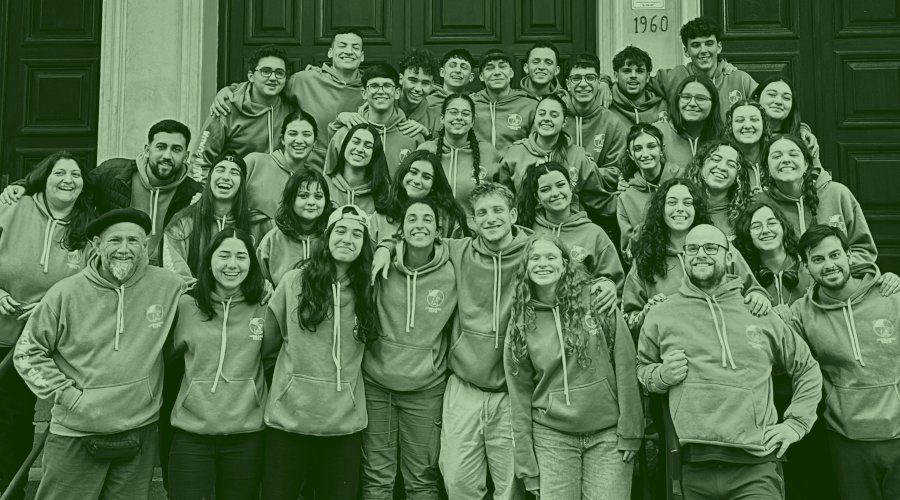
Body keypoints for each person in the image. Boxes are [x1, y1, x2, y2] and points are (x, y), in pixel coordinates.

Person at [636, 223, 822, 500]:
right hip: (691, 468)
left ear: (729, 256)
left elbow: (806, 367)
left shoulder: (758, 312)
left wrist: (795, 424)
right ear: (684, 257)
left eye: (711, 247)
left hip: (756, 466)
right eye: (693, 249)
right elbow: (641, 369)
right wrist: (661, 375)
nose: (701, 254)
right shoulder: (661, 314)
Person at [14, 208, 186, 500]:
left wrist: (259, 293)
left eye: (133, 241)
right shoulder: (65, 293)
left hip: (139, 430)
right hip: (76, 432)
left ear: (145, 246)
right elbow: (27, 352)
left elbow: (214, 297)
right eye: (114, 240)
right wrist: (70, 397)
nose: (124, 249)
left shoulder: (169, 285)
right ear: (96, 244)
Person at [504, 234, 642, 498]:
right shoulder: (521, 319)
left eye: (551, 257)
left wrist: (631, 431)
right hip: (552, 436)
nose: (543, 263)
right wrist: (526, 463)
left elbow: (625, 365)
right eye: (535, 258)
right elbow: (518, 394)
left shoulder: (597, 300)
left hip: (607, 435)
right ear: (526, 268)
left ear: (566, 264)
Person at [261, 205, 379, 499]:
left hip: (343, 425)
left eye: (357, 234)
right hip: (289, 421)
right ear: (326, 237)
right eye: (340, 231)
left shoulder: (370, 290)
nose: (347, 239)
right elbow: (267, 344)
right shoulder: (293, 283)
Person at [0, 152, 94, 500]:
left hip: (43, 342)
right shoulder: (13, 206)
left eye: (76, 174)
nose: (68, 179)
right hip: (1, 333)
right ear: (45, 176)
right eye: (60, 172)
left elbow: (88, 284)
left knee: (15, 419)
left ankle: (12, 490)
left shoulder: (87, 226)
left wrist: (50, 306)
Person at [787, 225, 900, 500]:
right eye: (818, 259)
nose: (829, 265)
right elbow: (762, 332)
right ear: (805, 267)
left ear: (849, 255)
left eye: (835, 255)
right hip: (847, 439)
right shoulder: (801, 314)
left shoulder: (891, 295)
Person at [0, 120, 203, 266]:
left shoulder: (193, 193)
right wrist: (24, 185)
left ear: (186, 155)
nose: (167, 155)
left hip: (162, 274)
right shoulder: (112, 172)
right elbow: (73, 185)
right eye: (161, 147)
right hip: (110, 266)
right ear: (147, 149)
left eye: (176, 149)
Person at [362, 198, 458, 499]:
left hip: (425, 389)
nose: (420, 224)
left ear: (438, 230)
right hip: (377, 386)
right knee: (377, 477)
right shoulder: (379, 264)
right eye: (412, 219)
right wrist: (383, 248)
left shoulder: (453, 269)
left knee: (421, 479)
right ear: (400, 230)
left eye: (427, 219)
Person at [165, 229, 270, 500]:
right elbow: (165, 355)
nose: (232, 265)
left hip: (246, 435)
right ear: (210, 260)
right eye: (224, 255)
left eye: (241, 257)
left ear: (252, 263)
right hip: (191, 433)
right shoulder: (186, 305)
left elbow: (270, 353)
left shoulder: (264, 305)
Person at [623, 178, 770, 338]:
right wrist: (646, 313)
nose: (680, 209)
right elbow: (629, 322)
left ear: (696, 209)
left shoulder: (719, 245)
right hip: (677, 351)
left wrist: (758, 296)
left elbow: (754, 288)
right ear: (660, 209)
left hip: (730, 338)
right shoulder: (646, 259)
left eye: (687, 203)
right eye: (672, 203)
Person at [210, 28, 367, 169]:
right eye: (342, 45)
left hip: (351, 172)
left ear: (362, 56)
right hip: (308, 172)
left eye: (355, 47)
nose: (349, 51)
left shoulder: (371, 88)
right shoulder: (303, 80)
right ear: (330, 52)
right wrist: (231, 90)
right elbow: (268, 85)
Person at [755, 134, 878, 266]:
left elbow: (863, 249)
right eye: (777, 156)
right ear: (767, 168)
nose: (786, 160)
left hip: (836, 282)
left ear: (807, 164)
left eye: (793, 154)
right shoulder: (760, 204)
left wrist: (834, 270)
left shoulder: (837, 193)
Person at [499, 94, 615, 224]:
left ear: (564, 122)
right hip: (526, 229)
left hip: (569, 229)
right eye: (542, 114)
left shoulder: (578, 155)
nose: (546, 119)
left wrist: (632, 198)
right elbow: (504, 199)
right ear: (535, 117)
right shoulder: (515, 153)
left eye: (554, 115)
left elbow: (599, 200)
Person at [162, 152, 271, 283]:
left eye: (234, 173)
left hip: (244, 300)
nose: (226, 177)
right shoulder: (183, 222)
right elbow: (176, 275)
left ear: (242, 183)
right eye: (220, 170)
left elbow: (269, 271)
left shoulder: (260, 224)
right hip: (195, 298)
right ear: (209, 178)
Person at [193, 45, 294, 181]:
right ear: (251, 76)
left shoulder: (291, 109)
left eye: (279, 73)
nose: (273, 77)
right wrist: (205, 197)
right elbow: (200, 160)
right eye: (265, 71)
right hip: (235, 195)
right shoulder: (225, 108)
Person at [516, 161, 624, 288]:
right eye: (546, 189)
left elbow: (614, 284)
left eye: (561, 185)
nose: (555, 193)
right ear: (537, 197)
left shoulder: (594, 233)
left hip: (580, 306)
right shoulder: (526, 232)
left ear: (571, 188)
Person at [325, 63, 426, 178]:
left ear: (397, 93)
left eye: (387, 86)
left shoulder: (413, 136)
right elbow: (329, 178)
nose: (381, 91)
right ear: (364, 93)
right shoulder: (345, 133)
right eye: (374, 86)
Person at [649, 17, 757, 121]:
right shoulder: (673, 77)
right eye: (696, 45)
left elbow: (765, 107)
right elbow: (638, 89)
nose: (703, 50)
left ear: (719, 47)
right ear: (686, 51)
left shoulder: (740, 79)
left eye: (709, 44)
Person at [418, 93, 501, 218]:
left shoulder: (488, 152)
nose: (459, 117)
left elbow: (500, 196)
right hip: (433, 228)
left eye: (466, 114)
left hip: (475, 231)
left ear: (472, 121)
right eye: (453, 112)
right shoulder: (426, 150)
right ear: (442, 118)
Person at [368, 150, 469, 244]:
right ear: (403, 174)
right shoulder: (380, 217)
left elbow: (457, 258)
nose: (417, 180)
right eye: (413, 172)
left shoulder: (447, 219)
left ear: (433, 186)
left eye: (426, 177)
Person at [616, 123, 684, 260]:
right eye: (638, 149)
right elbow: (628, 253)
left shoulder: (682, 179)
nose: (645, 154)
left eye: (651, 146)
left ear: (661, 149)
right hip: (650, 262)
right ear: (630, 155)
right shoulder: (626, 195)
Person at [257, 168, 334, 286]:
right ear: (290, 199)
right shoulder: (272, 240)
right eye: (303, 196)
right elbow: (261, 282)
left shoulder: (333, 236)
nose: (311, 202)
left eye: (318, 196)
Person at [244, 110, 318, 219]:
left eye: (306, 135)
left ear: (314, 142)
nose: (299, 140)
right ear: (283, 139)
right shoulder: (254, 163)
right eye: (292, 134)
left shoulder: (313, 180)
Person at [562, 53, 629, 169]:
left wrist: (585, 173)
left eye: (590, 78)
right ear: (568, 84)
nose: (583, 84)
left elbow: (616, 172)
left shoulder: (613, 124)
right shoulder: (555, 117)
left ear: (598, 83)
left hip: (598, 187)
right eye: (576, 78)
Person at [471, 50, 538, 155]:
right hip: (478, 168)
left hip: (516, 169)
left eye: (502, 67)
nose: (497, 72)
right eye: (490, 68)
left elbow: (538, 145)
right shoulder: (470, 105)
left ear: (511, 73)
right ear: (481, 76)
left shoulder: (530, 106)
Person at [653, 74, 724, 168]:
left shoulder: (723, 137)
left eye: (701, 98)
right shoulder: (656, 133)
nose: (692, 104)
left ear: (713, 104)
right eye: (686, 97)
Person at [686, 139, 753, 238]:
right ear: (701, 165)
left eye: (731, 165)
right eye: (716, 159)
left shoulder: (745, 216)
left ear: (737, 177)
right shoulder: (682, 206)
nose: (722, 167)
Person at [750, 76, 821, 166]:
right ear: (757, 98)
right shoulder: (743, 135)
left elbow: (818, 175)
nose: (779, 101)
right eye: (772, 94)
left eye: (786, 98)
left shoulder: (803, 140)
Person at [325, 122, 392, 214]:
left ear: (374, 154)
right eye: (356, 142)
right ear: (345, 146)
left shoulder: (385, 191)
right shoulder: (324, 184)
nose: (360, 149)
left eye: (368, 146)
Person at [609, 45, 669, 127]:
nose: (633, 76)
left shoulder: (664, 106)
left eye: (639, 71)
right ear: (616, 76)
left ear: (647, 77)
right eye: (627, 71)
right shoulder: (606, 104)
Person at [724, 99, 770, 192]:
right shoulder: (721, 160)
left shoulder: (774, 155)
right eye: (740, 120)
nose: (748, 125)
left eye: (754, 119)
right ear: (730, 126)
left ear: (764, 124)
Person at [397, 48, 441, 136]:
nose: (418, 88)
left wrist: (427, 134)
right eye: (413, 80)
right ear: (401, 79)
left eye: (425, 83)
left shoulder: (437, 119)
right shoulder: (384, 109)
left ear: (431, 85)